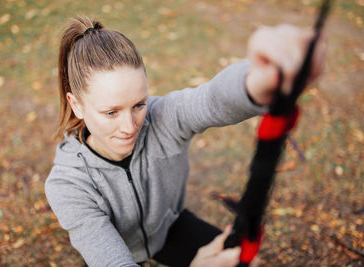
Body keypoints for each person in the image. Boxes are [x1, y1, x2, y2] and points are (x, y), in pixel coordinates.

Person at [45, 16, 325, 267]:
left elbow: (211, 100)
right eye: (111, 112)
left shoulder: (162, 119)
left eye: (139, 105)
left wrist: (260, 80)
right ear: (77, 105)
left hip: (168, 230)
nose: (129, 127)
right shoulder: (68, 185)